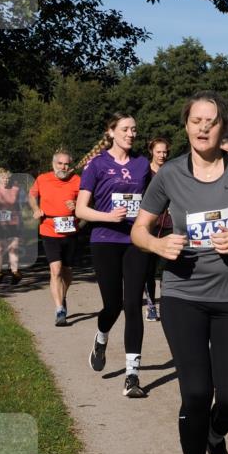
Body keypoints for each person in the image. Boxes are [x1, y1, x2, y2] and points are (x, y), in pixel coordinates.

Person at [133, 91, 228, 454]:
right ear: (186, 126)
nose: (204, 127)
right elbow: (140, 229)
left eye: (211, 120)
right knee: (194, 392)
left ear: (222, 125)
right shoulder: (169, 176)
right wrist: (158, 244)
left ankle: (215, 437)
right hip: (183, 295)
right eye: (196, 120)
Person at [75, 114, 151, 398]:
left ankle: (132, 375)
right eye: (125, 129)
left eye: (134, 129)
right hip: (104, 240)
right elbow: (81, 210)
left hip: (135, 240)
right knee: (113, 306)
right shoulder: (97, 165)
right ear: (111, 132)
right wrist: (107, 216)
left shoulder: (142, 164)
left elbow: (155, 199)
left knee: (133, 304)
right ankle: (101, 337)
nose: (131, 134)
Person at [29, 149, 81, 326]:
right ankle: (59, 309)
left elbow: (87, 202)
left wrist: (76, 205)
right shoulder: (43, 179)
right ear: (53, 164)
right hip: (49, 229)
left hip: (70, 230)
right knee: (56, 269)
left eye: (66, 164)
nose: (63, 167)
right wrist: (36, 209)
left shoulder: (77, 180)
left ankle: (63, 296)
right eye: (60, 163)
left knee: (67, 272)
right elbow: (32, 195)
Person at [144, 136, 173, 322]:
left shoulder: (172, 171)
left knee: (168, 267)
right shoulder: (144, 172)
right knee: (148, 268)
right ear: (151, 151)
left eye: (165, 152)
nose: (162, 155)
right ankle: (151, 305)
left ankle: (168, 303)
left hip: (170, 224)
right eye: (159, 151)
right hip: (149, 225)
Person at [0, 168, 23, 284]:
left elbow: (19, 207)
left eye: (8, 178)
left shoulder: (16, 190)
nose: (6, 180)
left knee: (13, 248)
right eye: (3, 178)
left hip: (13, 223)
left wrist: (21, 221)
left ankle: (15, 272)